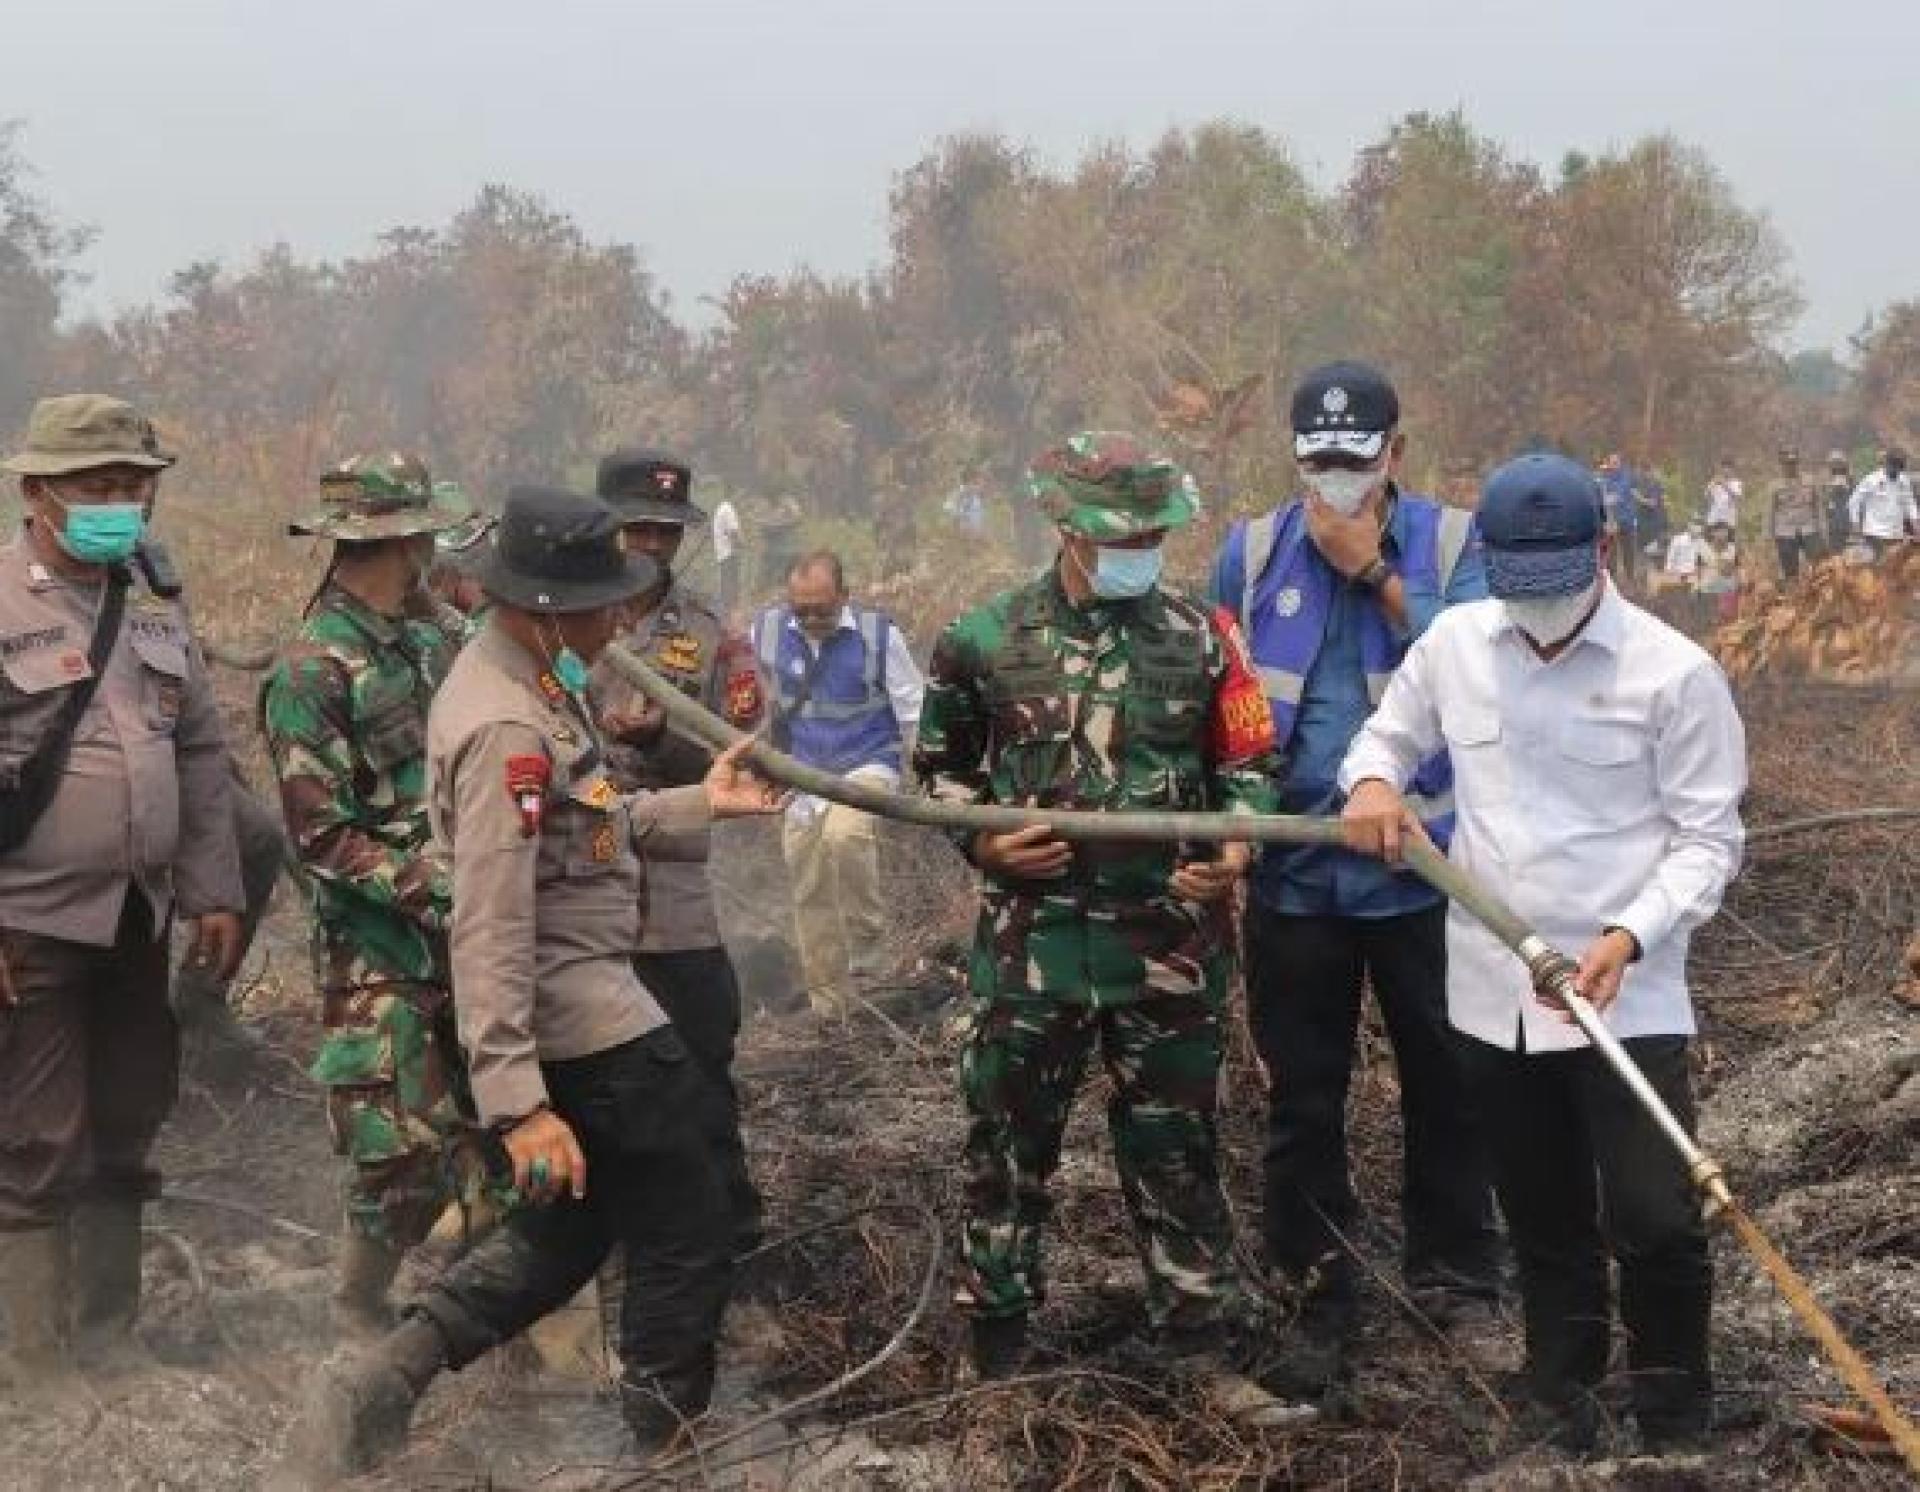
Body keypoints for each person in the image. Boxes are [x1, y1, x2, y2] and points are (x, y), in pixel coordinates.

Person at [284, 487, 784, 1482]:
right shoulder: (507, 725)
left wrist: (698, 803)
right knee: (691, 1221)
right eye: (603, 604)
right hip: (581, 1016)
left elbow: (580, 835)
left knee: (571, 1229)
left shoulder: (529, 685)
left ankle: (386, 1372)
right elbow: (490, 915)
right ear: (549, 606)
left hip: (584, 1000)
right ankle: (665, 1443)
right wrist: (517, 1105)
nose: (617, 623)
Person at [1340, 452, 1746, 1454]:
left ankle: (1673, 1411)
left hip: (1628, 992)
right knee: (1542, 1213)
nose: (1539, 609)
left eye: (1558, 584)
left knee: (1655, 1214)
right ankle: (1559, 1396)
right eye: (1518, 587)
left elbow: (1709, 840)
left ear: (1603, 551)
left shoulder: (1674, 674)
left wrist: (1628, 934)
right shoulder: (1454, 645)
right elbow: (1380, 742)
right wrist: (1372, 787)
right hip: (1493, 990)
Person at [914, 431, 1283, 1385]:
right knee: (1005, 1143)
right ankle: (994, 1354)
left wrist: (1233, 847)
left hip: (1168, 941)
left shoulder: (1206, 637)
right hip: (1032, 945)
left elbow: (1248, 765)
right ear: (1064, 527)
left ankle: (1197, 1350)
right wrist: (983, 841)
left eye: (1153, 533)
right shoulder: (983, 637)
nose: (1139, 549)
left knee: (1177, 1148)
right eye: (1121, 533)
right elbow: (940, 776)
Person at [1208, 362, 1498, 1396]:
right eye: (1319, 463)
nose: (1336, 480)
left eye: (1356, 461)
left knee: (1450, 1082)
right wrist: (1231, 835)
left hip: (1423, 872)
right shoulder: (1246, 554)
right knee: (1304, 1096)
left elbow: (1483, 671)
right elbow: (1224, 702)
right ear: (1294, 459)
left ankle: (1459, 1277)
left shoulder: (1457, 544)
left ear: (1397, 454)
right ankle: (1316, 1285)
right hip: (1295, 881)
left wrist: (1375, 568)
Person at [0, 395, 244, 1385]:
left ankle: (109, 1333)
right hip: (30, 920)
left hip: (138, 914)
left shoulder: (152, 597)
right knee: (34, 1134)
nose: (122, 503)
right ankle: (34, 1357)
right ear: (37, 492)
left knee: (127, 1117)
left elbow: (197, 744)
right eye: (98, 486)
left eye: (136, 486)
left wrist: (215, 888)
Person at [261, 452, 476, 1335]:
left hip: (465, 935)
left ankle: (490, 1323)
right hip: (378, 951)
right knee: (397, 1152)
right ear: (403, 536)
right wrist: (442, 890)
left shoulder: (430, 642)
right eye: (426, 533)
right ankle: (358, 1313)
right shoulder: (312, 670)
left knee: (495, 1133)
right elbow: (323, 837)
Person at [589, 446, 767, 1248]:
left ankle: (727, 1231)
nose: (651, 544)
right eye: (637, 527)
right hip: (574, 876)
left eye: (665, 530)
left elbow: (751, 745)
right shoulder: (557, 613)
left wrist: (669, 738)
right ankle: (604, 1237)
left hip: (670, 886)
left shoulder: (708, 632)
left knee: (699, 1048)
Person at [752, 549, 923, 1015]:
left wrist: (929, 772)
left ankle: (869, 950)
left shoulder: (877, 636)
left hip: (867, 762)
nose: (810, 619)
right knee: (807, 883)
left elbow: (912, 711)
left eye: (821, 610)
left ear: (844, 597)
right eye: (800, 609)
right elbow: (749, 700)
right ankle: (830, 1003)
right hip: (803, 774)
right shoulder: (766, 632)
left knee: (845, 835)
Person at [1848, 448, 1920, 559]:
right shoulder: (1872, 480)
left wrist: (1917, 528)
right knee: (1878, 570)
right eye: (1894, 466)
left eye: (1900, 468)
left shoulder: (1904, 481)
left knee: (1896, 570)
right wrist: (1856, 527)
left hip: (1896, 535)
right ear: (1887, 463)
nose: (1897, 471)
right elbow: (1854, 501)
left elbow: (1910, 504)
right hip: (1875, 534)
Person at [1766, 447, 1824, 580]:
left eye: (1793, 463)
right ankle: (1793, 595)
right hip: (1785, 531)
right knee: (1790, 571)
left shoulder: (1810, 481)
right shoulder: (1775, 485)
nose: (1791, 467)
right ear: (1782, 465)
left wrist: (1822, 529)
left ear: (1798, 462)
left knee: (1819, 565)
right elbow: (1770, 513)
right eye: (1787, 464)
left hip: (1809, 528)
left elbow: (1819, 507)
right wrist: (1768, 537)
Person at [1597, 453, 1640, 591]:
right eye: (1612, 462)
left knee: (1628, 552)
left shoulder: (1626, 476)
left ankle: (1631, 580)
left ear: (1621, 463)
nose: (1614, 465)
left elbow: (1617, 496)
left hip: (1626, 520)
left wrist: (1604, 499)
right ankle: (1612, 582)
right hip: (1611, 522)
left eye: (1617, 462)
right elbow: (1600, 493)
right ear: (1608, 463)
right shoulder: (1604, 477)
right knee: (1611, 552)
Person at [1698, 524, 1741, 625]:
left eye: (1724, 531)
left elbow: (1737, 568)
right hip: (1709, 585)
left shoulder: (1732, 549)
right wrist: (1698, 583)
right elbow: (1698, 568)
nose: (1722, 534)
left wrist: (1739, 581)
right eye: (1719, 531)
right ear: (1712, 533)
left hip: (1727, 585)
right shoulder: (1704, 549)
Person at [710, 492, 743, 619]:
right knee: (731, 586)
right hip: (729, 553)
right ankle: (730, 616)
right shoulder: (728, 509)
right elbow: (733, 532)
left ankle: (725, 613)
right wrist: (742, 544)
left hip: (722, 552)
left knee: (726, 585)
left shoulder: (721, 507)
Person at [1824, 450, 1855, 551]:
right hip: (1834, 528)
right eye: (1834, 464)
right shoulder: (1827, 483)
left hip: (1849, 526)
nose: (1837, 467)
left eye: (1839, 463)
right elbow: (1825, 505)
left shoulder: (1852, 483)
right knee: (1836, 557)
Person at [1702, 459, 1742, 534]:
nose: (1726, 470)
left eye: (1728, 468)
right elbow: (1706, 496)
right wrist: (1713, 484)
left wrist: (1725, 486)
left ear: (1732, 470)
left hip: (1728, 518)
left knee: (1730, 543)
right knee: (1708, 539)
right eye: (1724, 468)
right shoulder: (1714, 481)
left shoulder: (1736, 483)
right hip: (1714, 517)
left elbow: (1737, 498)